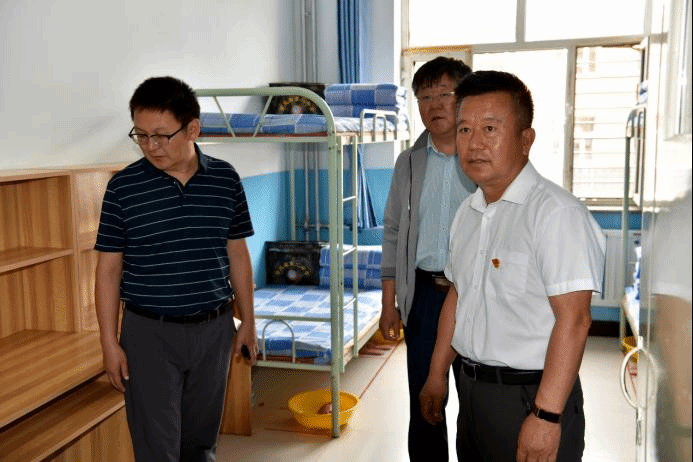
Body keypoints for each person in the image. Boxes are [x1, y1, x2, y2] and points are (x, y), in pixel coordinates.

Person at [419, 70, 606, 461]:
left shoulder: (555, 214)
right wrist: (437, 375)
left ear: (526, 139)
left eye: (490, 128)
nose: (474, 143)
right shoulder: (468, 213)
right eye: (465, 129)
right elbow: (458, 296)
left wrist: (546, 415)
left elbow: (574, 320)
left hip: (531, 396)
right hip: (472, 392)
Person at [94, 76, 258, 462]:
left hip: (214, 330)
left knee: (200, 445)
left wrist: (248, 321)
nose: (151, 146)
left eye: (161, 135)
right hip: (148, 333)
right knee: (157, 449)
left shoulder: (225, 179)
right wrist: (108, 342)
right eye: (141, 135)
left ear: (193, 129)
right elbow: (107, 271)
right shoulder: (123, 188)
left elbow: (238, 254)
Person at [380, 56, 475, 461]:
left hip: (473, 297)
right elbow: (392, 232)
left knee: (476, 406)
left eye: (444, 94)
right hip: (422, 296)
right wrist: (389, 304)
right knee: (426, 401)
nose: (434, 105)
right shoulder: (409, 162)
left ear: (464, 98)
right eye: (424, 96)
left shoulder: (483, 158)